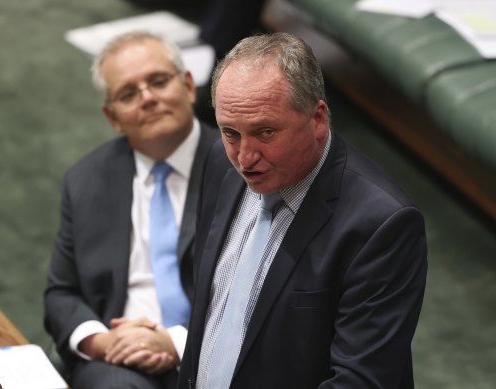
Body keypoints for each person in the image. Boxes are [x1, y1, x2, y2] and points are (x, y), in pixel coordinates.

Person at [178, 32, 428, 388]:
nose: (245, 158)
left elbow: (360, 381)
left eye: (265, 132)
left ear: (318, 119)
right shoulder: (221, 162)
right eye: (231, 132)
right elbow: (213, 306)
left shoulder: (381, 225)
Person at [44, 31, 218, 389]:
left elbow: (261, 293)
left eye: (158, 81)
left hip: (217, 349)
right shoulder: (86, 181)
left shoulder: (239, 169)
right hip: (120, 362)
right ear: (112, 116)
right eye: (128, 93)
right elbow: (61, 293)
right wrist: (102, 342)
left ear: (188, 86)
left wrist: (175, 342)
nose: (148, 98)